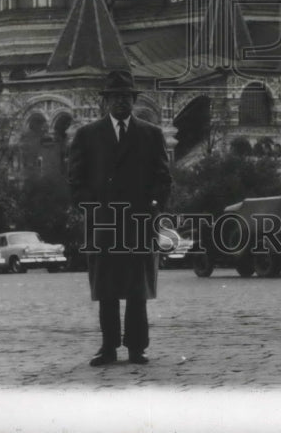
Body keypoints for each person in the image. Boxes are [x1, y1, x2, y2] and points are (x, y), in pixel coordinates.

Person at [68, 69, 171, 366]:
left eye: (126, 97)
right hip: (104, 223)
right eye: (115, 97)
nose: (121, 103)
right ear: (106, 102)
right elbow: (76, 179)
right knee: (107, 289)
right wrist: (91, 208)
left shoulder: (151, 134)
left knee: (137, 289)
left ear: (134, 100)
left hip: (139, 222)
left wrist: (154, 207)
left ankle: (138, 347)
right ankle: (109, 347)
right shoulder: (87, 135)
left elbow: (164, 178)